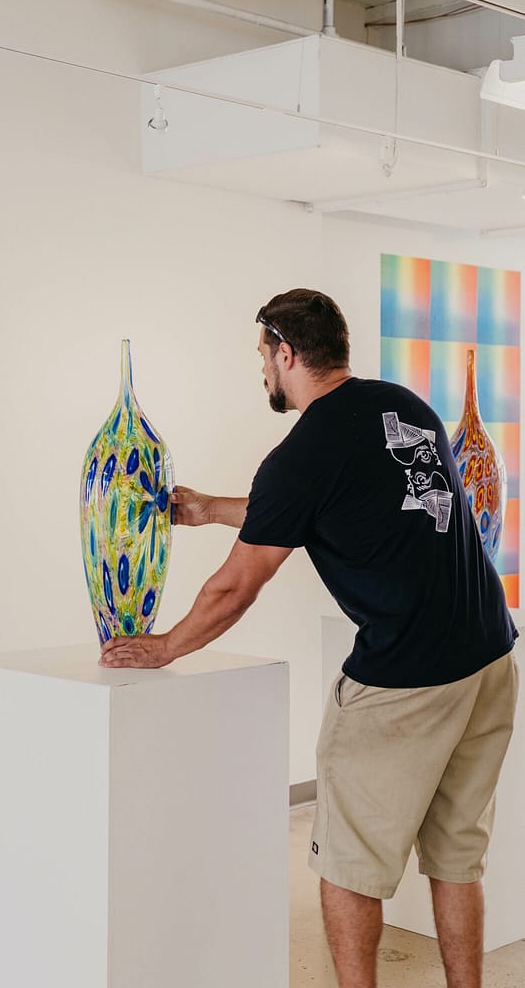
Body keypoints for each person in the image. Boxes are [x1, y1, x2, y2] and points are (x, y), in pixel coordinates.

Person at [99, 288, 519, 988]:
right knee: (454, 853)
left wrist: (165, 645)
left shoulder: (301, 453)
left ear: (284, 353)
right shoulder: (401, 405)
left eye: (261, 357)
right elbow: (341, 501)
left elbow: (237, 585)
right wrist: (207, 510)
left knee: (348, 865)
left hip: (405, 681)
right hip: (485, 658)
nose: (261, 371)